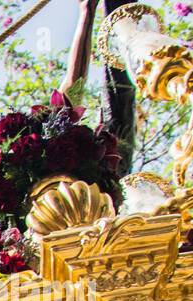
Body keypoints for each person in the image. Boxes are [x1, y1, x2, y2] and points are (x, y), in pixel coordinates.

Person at [59, 0, 137, 177]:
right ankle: (122, 15)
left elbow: (73, 87)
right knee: (121, 98)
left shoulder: (54, 160)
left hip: (81, 175)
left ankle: (121, 15)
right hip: (105, 183)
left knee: (119, 97)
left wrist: (87, 12)